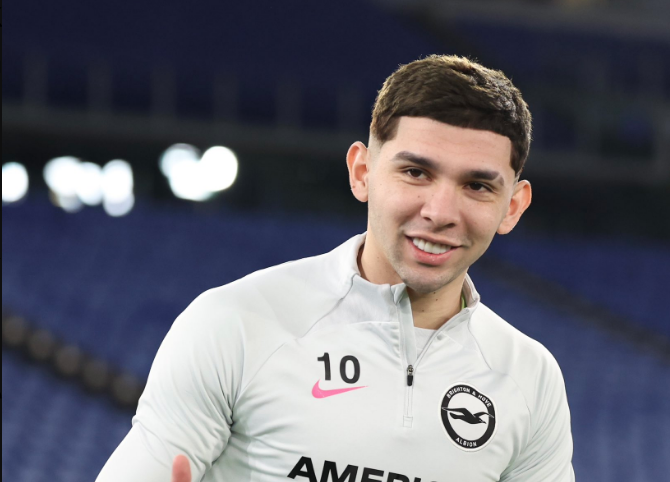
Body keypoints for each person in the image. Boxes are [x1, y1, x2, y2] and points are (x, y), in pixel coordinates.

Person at [97, 55, 574, 482]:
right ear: (362, 173)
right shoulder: (234, 324)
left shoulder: (530, 379)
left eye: (477, 186)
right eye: (415, 173)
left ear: (513, 206)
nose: (440, 211)